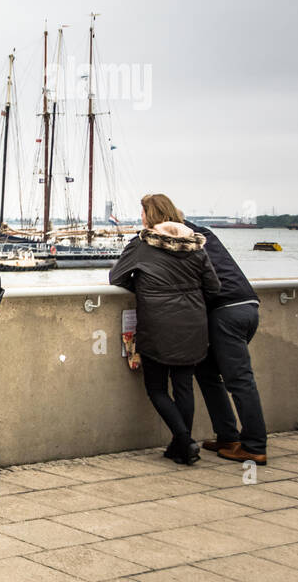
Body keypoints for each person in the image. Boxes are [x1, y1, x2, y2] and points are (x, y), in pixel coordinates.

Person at [110, 194, 220, 465]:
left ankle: (184, 440)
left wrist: (146, 289)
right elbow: (214, 287)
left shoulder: (141, 244)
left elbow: (117, 277)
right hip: (193, 324)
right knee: (184, 386)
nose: (141, 218)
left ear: (152, 215)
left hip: (158, 324)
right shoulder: (194, 244)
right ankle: (179, 447)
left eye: (144, 213)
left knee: (156, 388)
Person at [180, 222, 269, 464]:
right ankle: (227, 437)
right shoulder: (204, 233)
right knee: (206, 371)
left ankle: (254, 446)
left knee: (239, 380)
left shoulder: (180, 240)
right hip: (247, 305)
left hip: (226, 311)